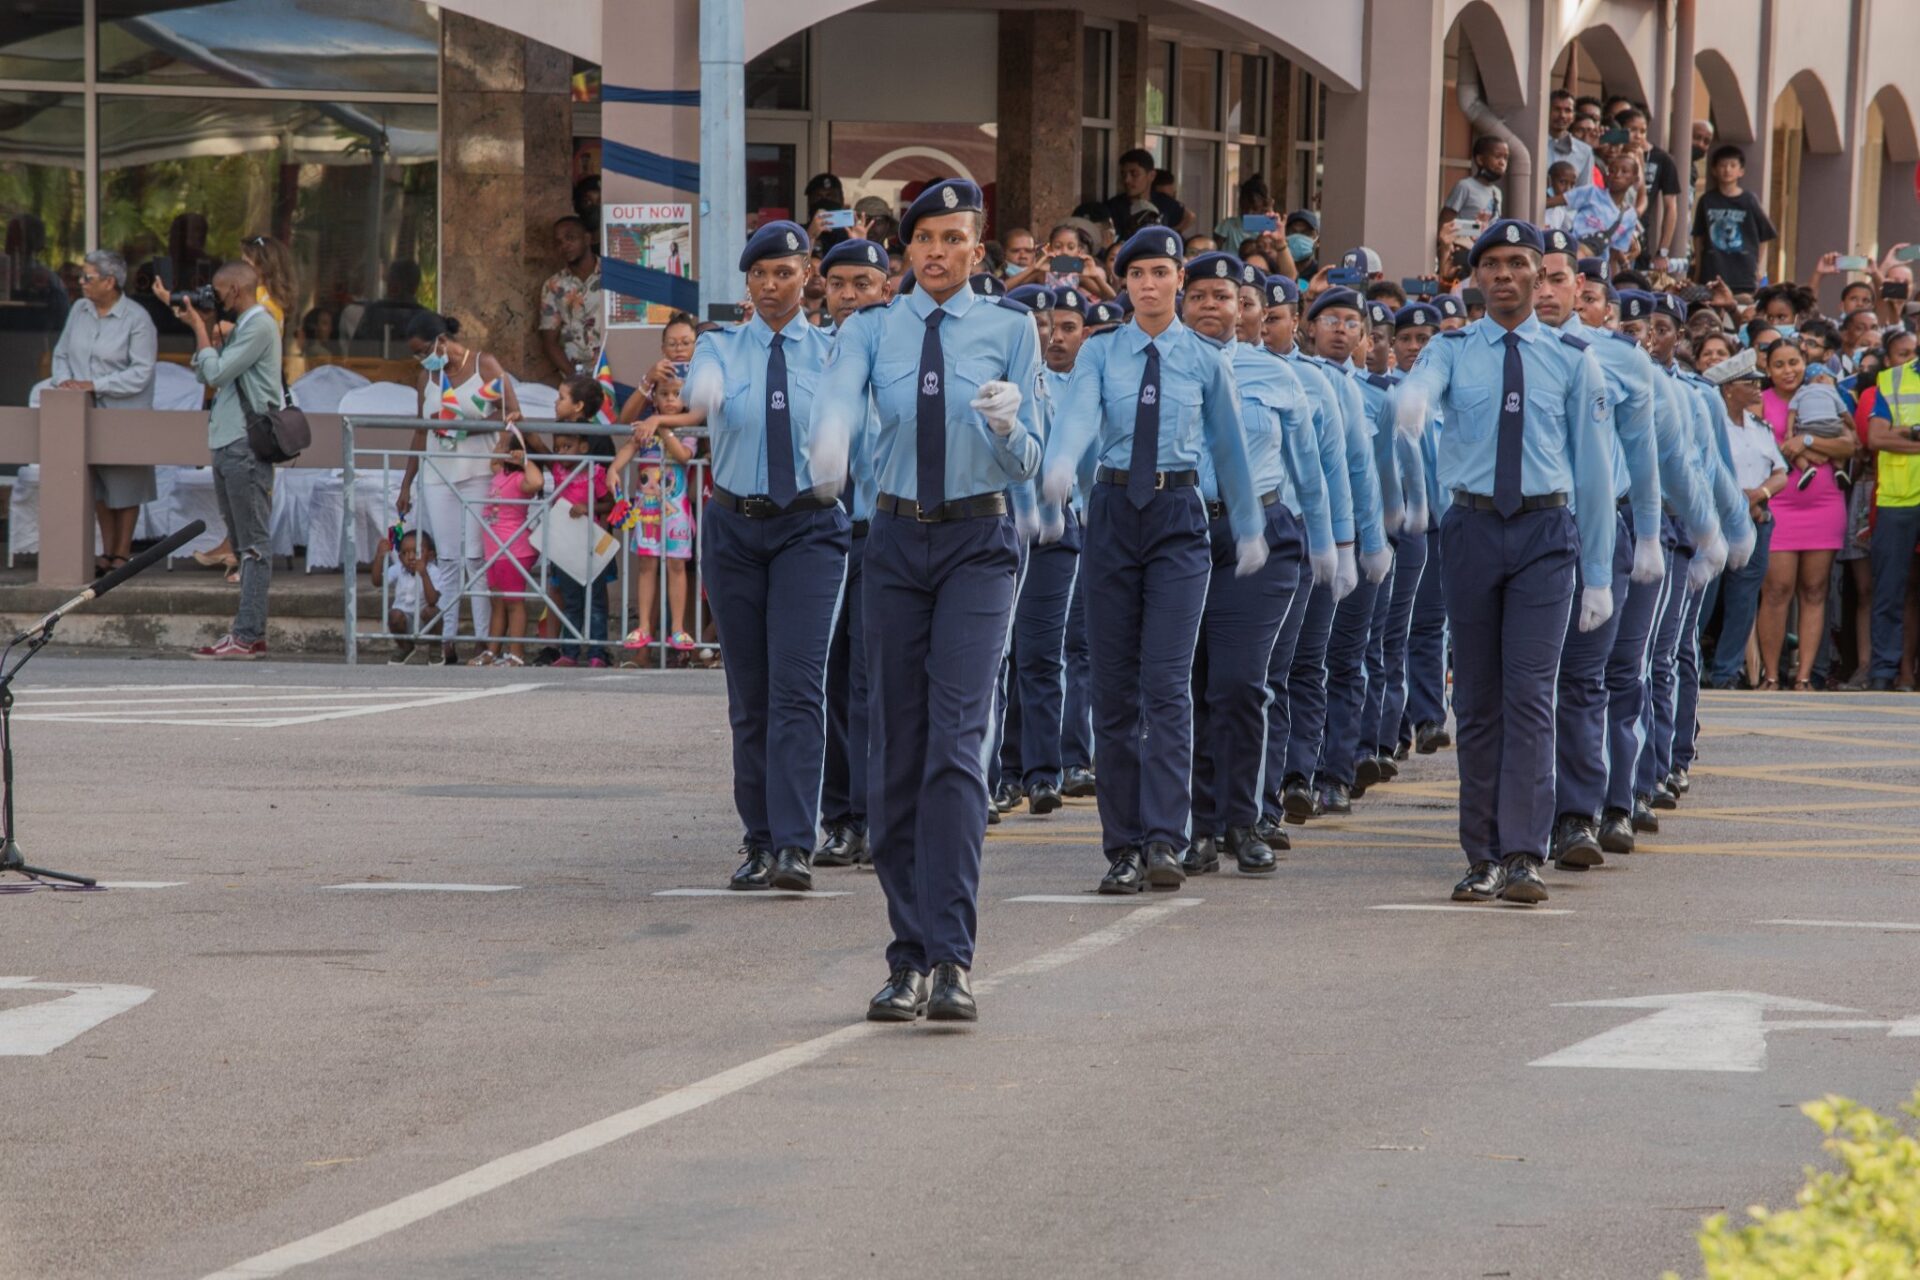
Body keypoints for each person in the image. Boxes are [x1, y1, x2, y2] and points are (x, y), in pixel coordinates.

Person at [817, 179, 1040, 1023]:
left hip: (980, 543)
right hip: (896, 542)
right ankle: (905, 955)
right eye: (925, 239)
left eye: (954, 237)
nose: (939, 251)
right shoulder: (871, 330)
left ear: (977, 250)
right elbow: (840, 405)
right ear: (905, 252)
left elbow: (1028, 466)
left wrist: (1008, 427)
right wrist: (831, 444)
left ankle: (950, 957)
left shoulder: (1011, 331)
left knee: (956, 745)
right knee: (896, 752)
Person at [1392, 219, 1617, 904]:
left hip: (1546, 531)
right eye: (1489, 264)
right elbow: (1422, 384)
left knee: (1529, 694)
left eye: (1517, 263)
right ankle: (1482, 854)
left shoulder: (1574, 358)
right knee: (1481, 700)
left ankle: (1524, 852)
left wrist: (1600, 574)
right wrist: (1412, 402)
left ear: (1540, 276)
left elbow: (1596, 470)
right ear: (1475, 278)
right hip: (1473, 526)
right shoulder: (1452, 348)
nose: (1503, 275)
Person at [1043, 226, 1264, 895]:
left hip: (1176, 518)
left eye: (1160, 273)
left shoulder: (1203, 357)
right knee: (1113, 689)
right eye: (1135, 274)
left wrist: (1250, 525)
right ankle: (1125, 846)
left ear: (1178, 282)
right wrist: (1058, 463)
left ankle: (1166, 837)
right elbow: (1080, 417)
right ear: (1122, 282)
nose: (1148, 284)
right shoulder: (1100, 353)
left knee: (1166, 685)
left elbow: (1229, 449)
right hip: (1111, 513)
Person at [678, 222, 849, 896]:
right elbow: (702, 388)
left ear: (808, 275)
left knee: (798, 688)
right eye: (760, 275)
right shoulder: (720, 348)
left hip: (809, 528)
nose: (772, 287)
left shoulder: (836, 353)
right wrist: (703, 398)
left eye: (785, 273)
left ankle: (795, 844)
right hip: (736, 527)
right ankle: (758, 840)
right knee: (749, 696)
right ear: (746, 283)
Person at [1179, 254, 1330, 875]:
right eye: (1207, 296)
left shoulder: (1278, 377)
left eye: (1238, 299)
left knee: (1240, 682)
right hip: (1181, 527)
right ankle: (1196, 824)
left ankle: (1244, 818)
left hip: (1261, 535)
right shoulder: (1166, 369)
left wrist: (1332, 546)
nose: (1223, 309)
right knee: (1186, 685)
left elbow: (1311, 474)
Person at [1531, 232, 1666, 870]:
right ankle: (1525, 817)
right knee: (1525, 686)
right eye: (1545, 278)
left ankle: (1584, 814)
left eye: (1567, 283)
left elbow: (1643, 456)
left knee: (1588, 680)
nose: (1553, 292)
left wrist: (1645, 536)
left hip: (1596, 531)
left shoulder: (1616, 359)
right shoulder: (1487, 352)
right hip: (1525, 530)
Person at [813, 237, 892, 867]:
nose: (847, 297)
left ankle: (874, 814)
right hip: (814, 533)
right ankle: (839, 815)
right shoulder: (813, 352)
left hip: (880, 533)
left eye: (861, 284)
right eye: (837, 284)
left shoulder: (901, 349)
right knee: (829, 680)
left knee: (874, 682)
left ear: (885, 289)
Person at [184, 262, 284, 660]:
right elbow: (203, 373)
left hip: (244, 444)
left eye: (218, 291)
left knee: (254, 546)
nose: (215, 297)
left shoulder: (259, 325)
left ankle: (245, 635)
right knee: (242, 546)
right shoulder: (242, 326)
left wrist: (198, 329)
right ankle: (250, 634)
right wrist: (207, 331)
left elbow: (219, 372)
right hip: (228, 441)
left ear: (236, 291)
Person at [49, 249, 159, 575]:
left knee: (125, 486)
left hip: (124, 412)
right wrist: (65, 382)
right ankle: (107, 552)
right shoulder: (79, 310)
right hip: (81, 413)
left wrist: (94, 384)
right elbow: (61, 354)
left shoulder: (137, 319)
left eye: (88, 277)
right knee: (95, 485)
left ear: (110, 282)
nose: (81, 282)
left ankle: (122, 555)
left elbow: (141, 373)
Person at [1755, 338, 1853, 688]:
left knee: (1815, 590)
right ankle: (1770, 674)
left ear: (1805, 361)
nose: (1788, 370)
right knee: (1777, 590)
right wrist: (1790, 448)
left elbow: (1849, 443)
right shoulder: (1760, 402)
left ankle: (1805, 675)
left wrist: (1808, 442)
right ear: (1767, 369)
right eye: (1779, 364)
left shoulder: (1822, 394)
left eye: (1794, 362)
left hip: (1824, 502)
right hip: (1780, 503)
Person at [1704, 350, 1787, 688]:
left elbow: (1780, 471)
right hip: (1717, 521)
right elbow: (1708, 470)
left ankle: (1726, 672)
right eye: (1748, 382)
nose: (1757, 387)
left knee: (1744, 598)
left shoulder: (1759, 426)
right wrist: (1740, 503)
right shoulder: (1711, 424)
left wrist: (1759, 496)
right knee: (1704, 595)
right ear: (1726, 389)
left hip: (1755, 519)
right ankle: (1685, 663)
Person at [610, 380, 698, 652]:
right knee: (646, 566)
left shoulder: (686, 431)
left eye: (677, 395)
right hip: (647, 511)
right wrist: (614, 468)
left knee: (676, 565)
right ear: (655, 400)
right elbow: (629, 447)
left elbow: (684, 456)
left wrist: (664, 428)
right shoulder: (645, 427)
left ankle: (677, 628)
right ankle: (644, 626)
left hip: (676, 513)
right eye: (664, 395)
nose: (671, 399)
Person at [1864, 342, 1920, 689]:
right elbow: (1875, 437)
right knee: (1889, 591)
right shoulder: (1892, 379)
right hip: (1897, 499)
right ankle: (1883, 672)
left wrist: (1906, 433)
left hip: (1898, 501)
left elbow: (1889, 434)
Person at [545, 412, 617, 668]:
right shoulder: (556, 471)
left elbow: (610, 502)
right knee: (572, 600)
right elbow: (536, 446)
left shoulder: (594, 473)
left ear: (584, 447)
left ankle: (597, 652)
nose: (562, 452)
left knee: (595, 601)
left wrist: (590, 507)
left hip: (590, 544)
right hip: (565, 544)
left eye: (568, 446)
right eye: (558, 448)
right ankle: (570, 652)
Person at [479, 431, 544, 668]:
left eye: (508, 448)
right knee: (497, 601)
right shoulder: (500, 473)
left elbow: (537, 482)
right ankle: (491, 651)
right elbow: (494, 460)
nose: (502, 450)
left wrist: (525, 460)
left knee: (514, 602)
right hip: (494, 549)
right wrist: (508, 432)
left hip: (514, 549)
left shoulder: (520, 479)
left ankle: (516, 653)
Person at [1691, 144, 1776, 294]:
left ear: (1741, 171)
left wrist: (1758, 267)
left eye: (1732, 165)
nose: (1727, 170)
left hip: (1743, 276)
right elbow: (1698, 237)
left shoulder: (1749, 200)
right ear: (1714, 170)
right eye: (1723, 165)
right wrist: (1698, 269)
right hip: (1712, 273)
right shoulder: (1707, 201)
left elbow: (1765, 235)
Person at [538, 216, 604, 376]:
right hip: (577, 375)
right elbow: (549, 341)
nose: (564, 246)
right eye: (559, 242)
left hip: (614, 372)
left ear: (587, 239)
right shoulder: (553, 285)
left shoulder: (611, 276)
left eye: (570, 238)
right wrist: (573, 377)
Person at [1620, 109, 1681, 264]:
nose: (1638, 135)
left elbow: (1670, 206)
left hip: (1637, 232)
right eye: (1632, 129)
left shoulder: (1659, 158)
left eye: (1643, 131)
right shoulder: (1611, 154)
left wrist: (1663, 250)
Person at [385, 529, 454, 664]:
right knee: (394, 615)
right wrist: (380, 557)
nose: (411, 557)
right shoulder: (398, 569)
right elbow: (377, 581)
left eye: (416, 552)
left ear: (430, 556)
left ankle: (435, 647)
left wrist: (424, 575)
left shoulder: (433, 571)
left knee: (432, 611)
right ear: (399, 557)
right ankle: (405, 646)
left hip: (426, 624)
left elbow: (433, 600)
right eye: (405, 553)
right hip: (405, 622)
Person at [1104, 148, 1193, 236]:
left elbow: (1190, 216)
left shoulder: (1164, 202)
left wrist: (1172, 233)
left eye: (1134, 174)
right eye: (1123, 175)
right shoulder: (1113, 207)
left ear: (1151, 175)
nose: (1127, 180)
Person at [1441, 136, 1508, 227]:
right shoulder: (1465, 186)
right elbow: (1444, 224)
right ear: (1480, 160)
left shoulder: (1497, 192)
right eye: (1497, 156)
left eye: (1505, 158)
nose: (1502, 162)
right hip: (1465, 240)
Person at [1545, 90, 1595, 196]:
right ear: (1546, 111)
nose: (1562, 115)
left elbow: (1584, 191)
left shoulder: (1585, 151)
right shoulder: (1535, 144)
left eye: (1567, 110)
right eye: (1557, 109)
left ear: (1573, 116)